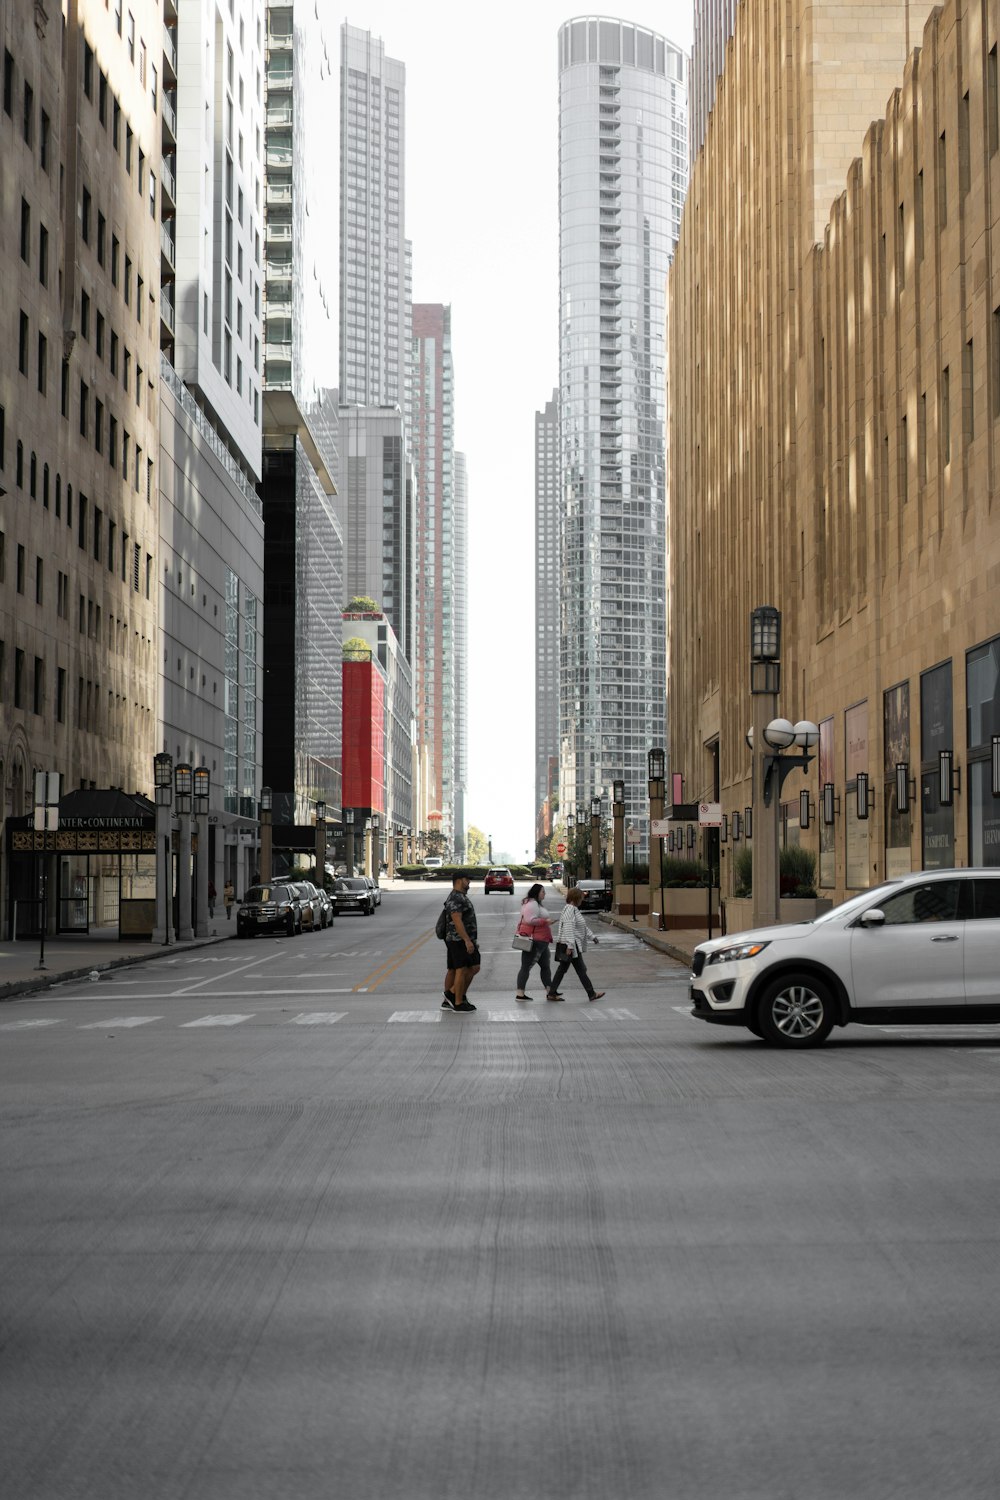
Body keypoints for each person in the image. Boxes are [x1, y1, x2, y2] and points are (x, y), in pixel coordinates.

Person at [547, 886, 605, 1002]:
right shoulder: (570, 910)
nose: (582, 900)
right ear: (576, 898)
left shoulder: (572, 909)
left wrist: (592, 936)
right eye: (581, 898)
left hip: (571, 944)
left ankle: (552, 992)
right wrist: (570, 946)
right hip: (571, 946)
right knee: (579, 970)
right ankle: (591, 993)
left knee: (564, 969)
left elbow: (581, 927)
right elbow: (569, 928)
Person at [441, 872, 480, 1013]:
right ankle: (456, 1000)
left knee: (457, 968)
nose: (469, 882)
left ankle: (451, 999)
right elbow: (456, 919)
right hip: (458, 939)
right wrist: (467, 940)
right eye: (467, 879)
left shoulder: (459, 896)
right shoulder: (456, 897)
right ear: (458, 881)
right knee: (462, 969)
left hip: (459, 939)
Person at [515, 883, 555, 1001]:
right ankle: (520, 994)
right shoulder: (532, 904)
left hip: (542, 940)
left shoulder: (535, 903)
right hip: (535, 941)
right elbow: (530, 920)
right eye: (543, 891)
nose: (544, 894)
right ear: (537, 892)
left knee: (545, 966)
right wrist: (545, 922)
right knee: (526, 967)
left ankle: (550, 991)